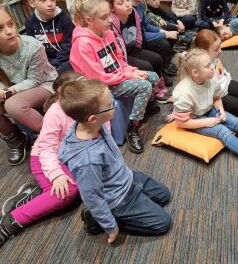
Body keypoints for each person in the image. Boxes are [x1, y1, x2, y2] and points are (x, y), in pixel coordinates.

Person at [58, 78, 171, 243]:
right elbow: (92, 197)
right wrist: (110, 226)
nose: (115, 105)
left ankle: (131, 206)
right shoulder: (87, 161)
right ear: (92, 119)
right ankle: (99, 220)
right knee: (163, 223)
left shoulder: (91, 125)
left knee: (164, 196)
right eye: (110, 104)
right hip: (118, 200)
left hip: (126, 177)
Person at [0, 72, 103, 247]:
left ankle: (33, 196)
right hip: (46, 157)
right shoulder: (57, 113)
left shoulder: (97, 105)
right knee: (67, 193)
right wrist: (56, 175)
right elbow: (46, 149)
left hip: (71, 157)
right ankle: (9, 223)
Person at [69, 0, 158, 154]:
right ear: (89, 20)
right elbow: (97, 78)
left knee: (153, 77)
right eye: (104, 17)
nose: (110, 20)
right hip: (98, 87)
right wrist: (128, 75)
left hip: (115, 78)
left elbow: (119, 60)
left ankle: (141, 107)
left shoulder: (108, 33)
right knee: (144, 86)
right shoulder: (83, 44)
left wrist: (131, 70)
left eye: (109, 14)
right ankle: (133, 128)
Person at [0, 6, 58, 165]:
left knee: (12, 105)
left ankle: (52, 136)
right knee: (11, 103)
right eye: (0, 28)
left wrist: (6, 93)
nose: (10, 31)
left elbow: (34, 81)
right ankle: (16, 139)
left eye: (10, 24)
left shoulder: (32, 46)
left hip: (45, 85)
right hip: (16, 90)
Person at [103, 0, 170, 103]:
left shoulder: (133, 12)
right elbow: (117, 48)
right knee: (147, 66)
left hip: (133, 48)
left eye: (127, 0)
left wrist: (139, 46)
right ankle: (152, 95)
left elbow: (138, 31)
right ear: (112, 8)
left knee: (157, 59)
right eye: (121, 3)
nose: (127, 4)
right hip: (122, 56)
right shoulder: (111, 22)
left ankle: (159, 85)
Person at [120, 0, 178, 78]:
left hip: (142, 37)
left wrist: (161, 30)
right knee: (163, 43)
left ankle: (165, 63)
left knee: (171, 28)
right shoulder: (128, 10)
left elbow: (146, 25)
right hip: (138, 42)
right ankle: (162, 69)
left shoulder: (142, 5)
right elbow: (141, 35)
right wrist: (164, 34)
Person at [25, 0, 74, 73]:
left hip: (66, 59)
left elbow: (69, 45)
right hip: (45, 62)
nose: (50, 4)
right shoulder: (30, 23)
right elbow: (33, 48)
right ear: (32, 3)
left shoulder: (64, 20)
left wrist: (55, 62)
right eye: (43, 0)